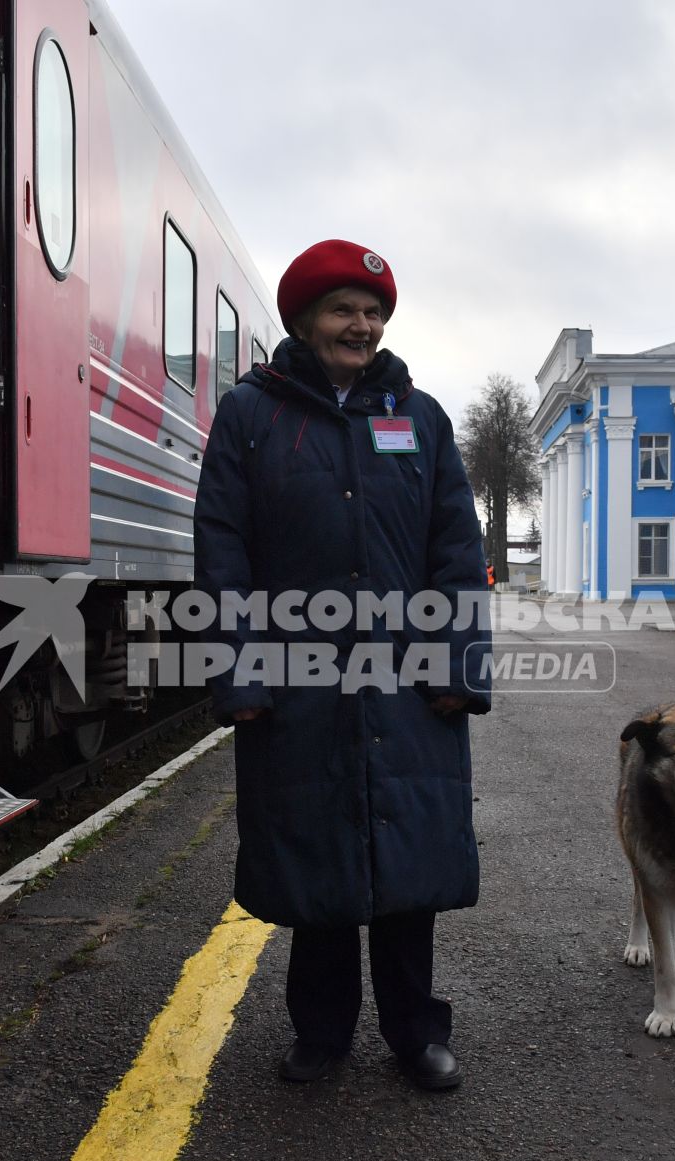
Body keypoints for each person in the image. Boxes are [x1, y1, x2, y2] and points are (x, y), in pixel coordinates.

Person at [193, 240, 491, 1092]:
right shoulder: (252, 416)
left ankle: (415, 1031)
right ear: (302, 322)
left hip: (407, 678)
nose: (360, 325)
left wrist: (458, 667)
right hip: (298, 678)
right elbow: (223, 550)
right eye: (342, 310)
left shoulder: (421, 418)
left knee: (408, 859)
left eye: (373, 312)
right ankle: (320, 1031)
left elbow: (455, 552)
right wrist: (238, 672)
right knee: (316, 854)